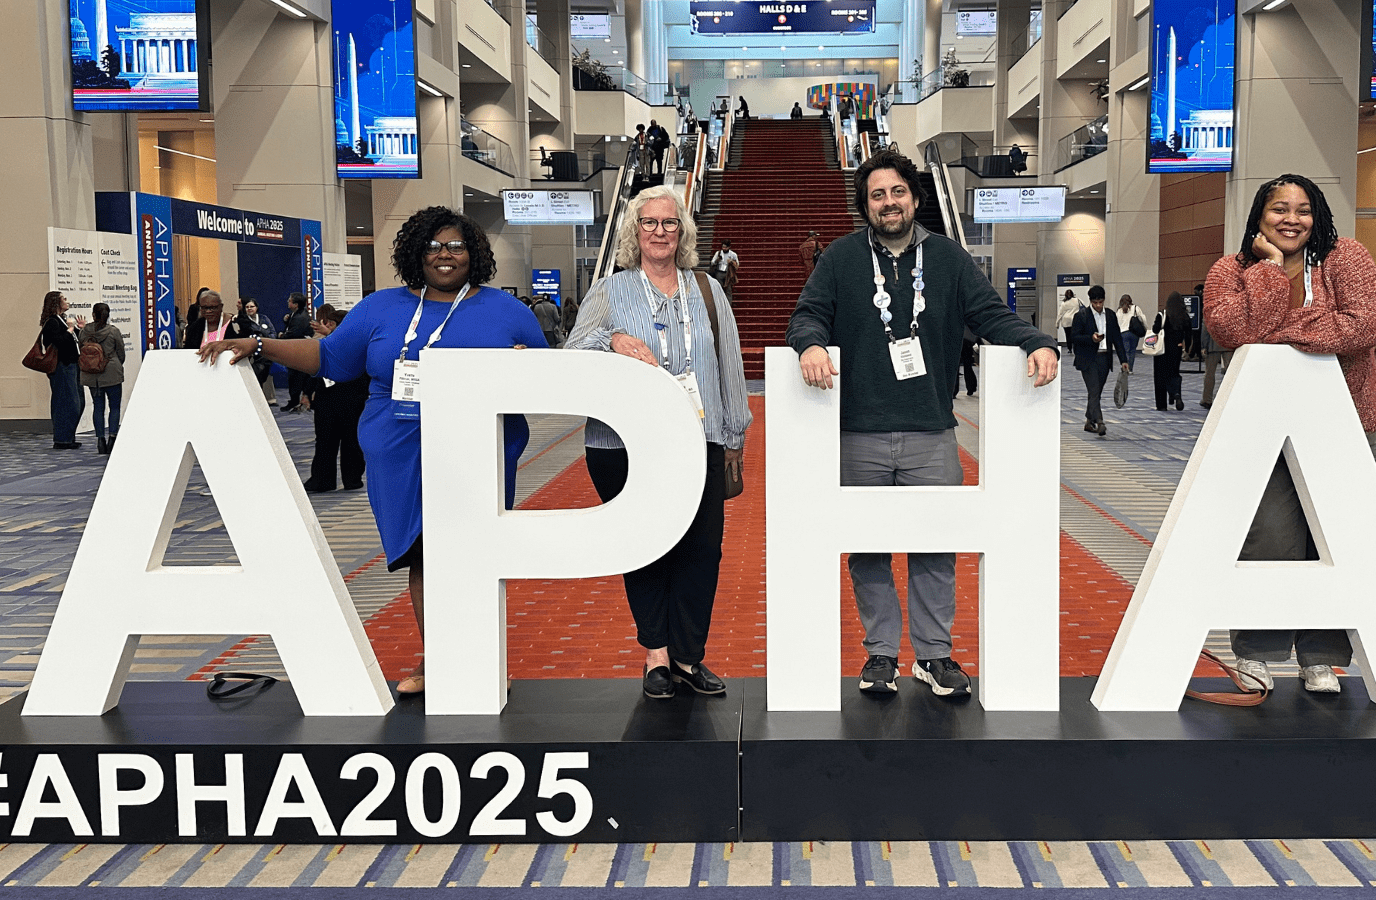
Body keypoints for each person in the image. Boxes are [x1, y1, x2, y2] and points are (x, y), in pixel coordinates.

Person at [196, 206, 545, 696]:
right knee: (422, 554)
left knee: (470, 553)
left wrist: (523, 369)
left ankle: (475, 657)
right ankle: (444, 659)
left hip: (478, 447)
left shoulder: (507, 311)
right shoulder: (382, 307)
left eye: (456, 246)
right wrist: (260, 344)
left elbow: (548, 380)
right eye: (433, 247)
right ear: (415, 253)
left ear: (474, 254)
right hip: (399, 447)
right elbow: (330, 357)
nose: (445, 256)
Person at [787, 149, 1059, 699]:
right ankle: (882, 654)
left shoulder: (949, 259)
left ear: (915, 197)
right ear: (865, 206)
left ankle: (933, 657)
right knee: (868, 549)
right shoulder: (839, 259)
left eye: (898, 193)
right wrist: (811, 343)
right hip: (858, 433)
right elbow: (807, 313)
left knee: (936, 546)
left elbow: (990, 315)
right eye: (877, 195)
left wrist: (1035, 339)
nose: (889, 203)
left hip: (931, 431)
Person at [564, 185, 751, 700]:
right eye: (649, 223)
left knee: (700, 552)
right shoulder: (610, 289)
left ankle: (690, 657)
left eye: (670, 223)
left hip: (700, 438)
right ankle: (656, 657)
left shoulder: (709, 290)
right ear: (634, 232)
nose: (660, 232)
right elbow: (574, 348)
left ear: (684, 231)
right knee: (643, 548)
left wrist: (734, 436)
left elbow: (730, 366)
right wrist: (613, 339)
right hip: (622, 446)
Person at [1205, 173, 1376, 696]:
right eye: (1278, 209)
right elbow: (1233, 331)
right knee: (1271, 538)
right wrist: (1270, 272)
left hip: (1348, 422)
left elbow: (1365, 326)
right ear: (1258, 217)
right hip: (1260, 426)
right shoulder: (1231, 270)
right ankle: (1257, 653)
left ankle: (1321, 656)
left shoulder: (1346, 257)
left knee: (1336, 541)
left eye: (1303, 209)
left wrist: (1279, 331)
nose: (1291, 219)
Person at [300, 307, 367, 494]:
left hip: (343, 397)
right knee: (337, 440)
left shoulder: (342, 343)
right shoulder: (331, 344)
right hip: (341, 398)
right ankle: (338, 479)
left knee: (339, 441)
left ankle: (338, 479)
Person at [1070, 285, 1130, 436]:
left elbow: (1117, 339)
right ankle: (1100, 421)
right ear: (1090, 301)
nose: (1098, 305)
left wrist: (1124, 360)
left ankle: (1089, 421)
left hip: (1104, 358)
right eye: (1095, 303)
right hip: (1087, 359)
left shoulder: (1110, 315)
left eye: (1100, 302)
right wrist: (1091, 338)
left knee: (1096, 391)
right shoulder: (1081, 315)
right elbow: (1074, 337)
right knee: (1094, 390)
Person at [39, 291, 87, 450]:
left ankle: (68, 436)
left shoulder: (63, 320)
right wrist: (70, 330)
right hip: (62, 367)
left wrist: (79, 329)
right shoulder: (52, 322)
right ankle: (62, 439)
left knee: (78, 402)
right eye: (64, 299)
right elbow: (60, 342)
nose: (67, 302)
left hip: (73, 365)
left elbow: (74, 341)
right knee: (66, 402)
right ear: (56, 303)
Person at [77, 301, 125, 455]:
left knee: (98, 407)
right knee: (115, 406)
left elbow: (81, 349)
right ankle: (112, 438)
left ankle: (100, 441)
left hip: (93, 376)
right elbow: (121, 352)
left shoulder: (85, 331)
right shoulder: (113, 331)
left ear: (93, 315)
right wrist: (115, 364)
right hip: (111, 373)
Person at [231, 297, 276, 404]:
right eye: (247, 307)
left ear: (256, 307)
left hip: (266, 351)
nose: (250, 309)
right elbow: (247, 333)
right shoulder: (243, 320)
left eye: (252, 306)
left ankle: (268, 399)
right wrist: (262, 332)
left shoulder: (264, 318)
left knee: (266, 376)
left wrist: (262, 334)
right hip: (251, 354)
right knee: (255, 378)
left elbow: (272, 332)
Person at [1153, 292, 1190, 410]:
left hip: (1161, 350)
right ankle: (1176, 394)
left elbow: (1155, 329)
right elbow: (1189, 334)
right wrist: (1187, 349)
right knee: (1174, 373)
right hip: (1176, 349)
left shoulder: (1162, 314)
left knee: (1160, 376)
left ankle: (1161, 405)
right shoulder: (1184, 315)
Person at [278, 292, 313, 412]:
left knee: (296, 377)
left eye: (290, 300)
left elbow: (294, 333)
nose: (288, 302)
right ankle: (294, 399)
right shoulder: (295, 315)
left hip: (299, 352)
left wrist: (281, 336)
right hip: (297, 350)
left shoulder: (300, 318)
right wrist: (286, 321)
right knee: (294, 377)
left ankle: (295, 400)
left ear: (296, 304)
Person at [1200, 315, 1231, 408]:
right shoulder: (1232, 310)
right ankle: (1229, 397)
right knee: (1231, 373)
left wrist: (1204, 346)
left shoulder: (1211, 312)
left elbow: (1205, 329)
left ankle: (1207, 399)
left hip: (1213, 345)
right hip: (1229, 345)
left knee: (1210, 373)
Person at [1115, 294, 1144, 362]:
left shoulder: (1119, 311)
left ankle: (1125, 367)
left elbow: (1116, 323)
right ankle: (1130, 369)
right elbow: (1142, 319)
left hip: (1123, 333)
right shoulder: (1136, 308)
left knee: (1125, 351)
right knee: (1132, 351)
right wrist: (1145, 328)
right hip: (1134, 333)